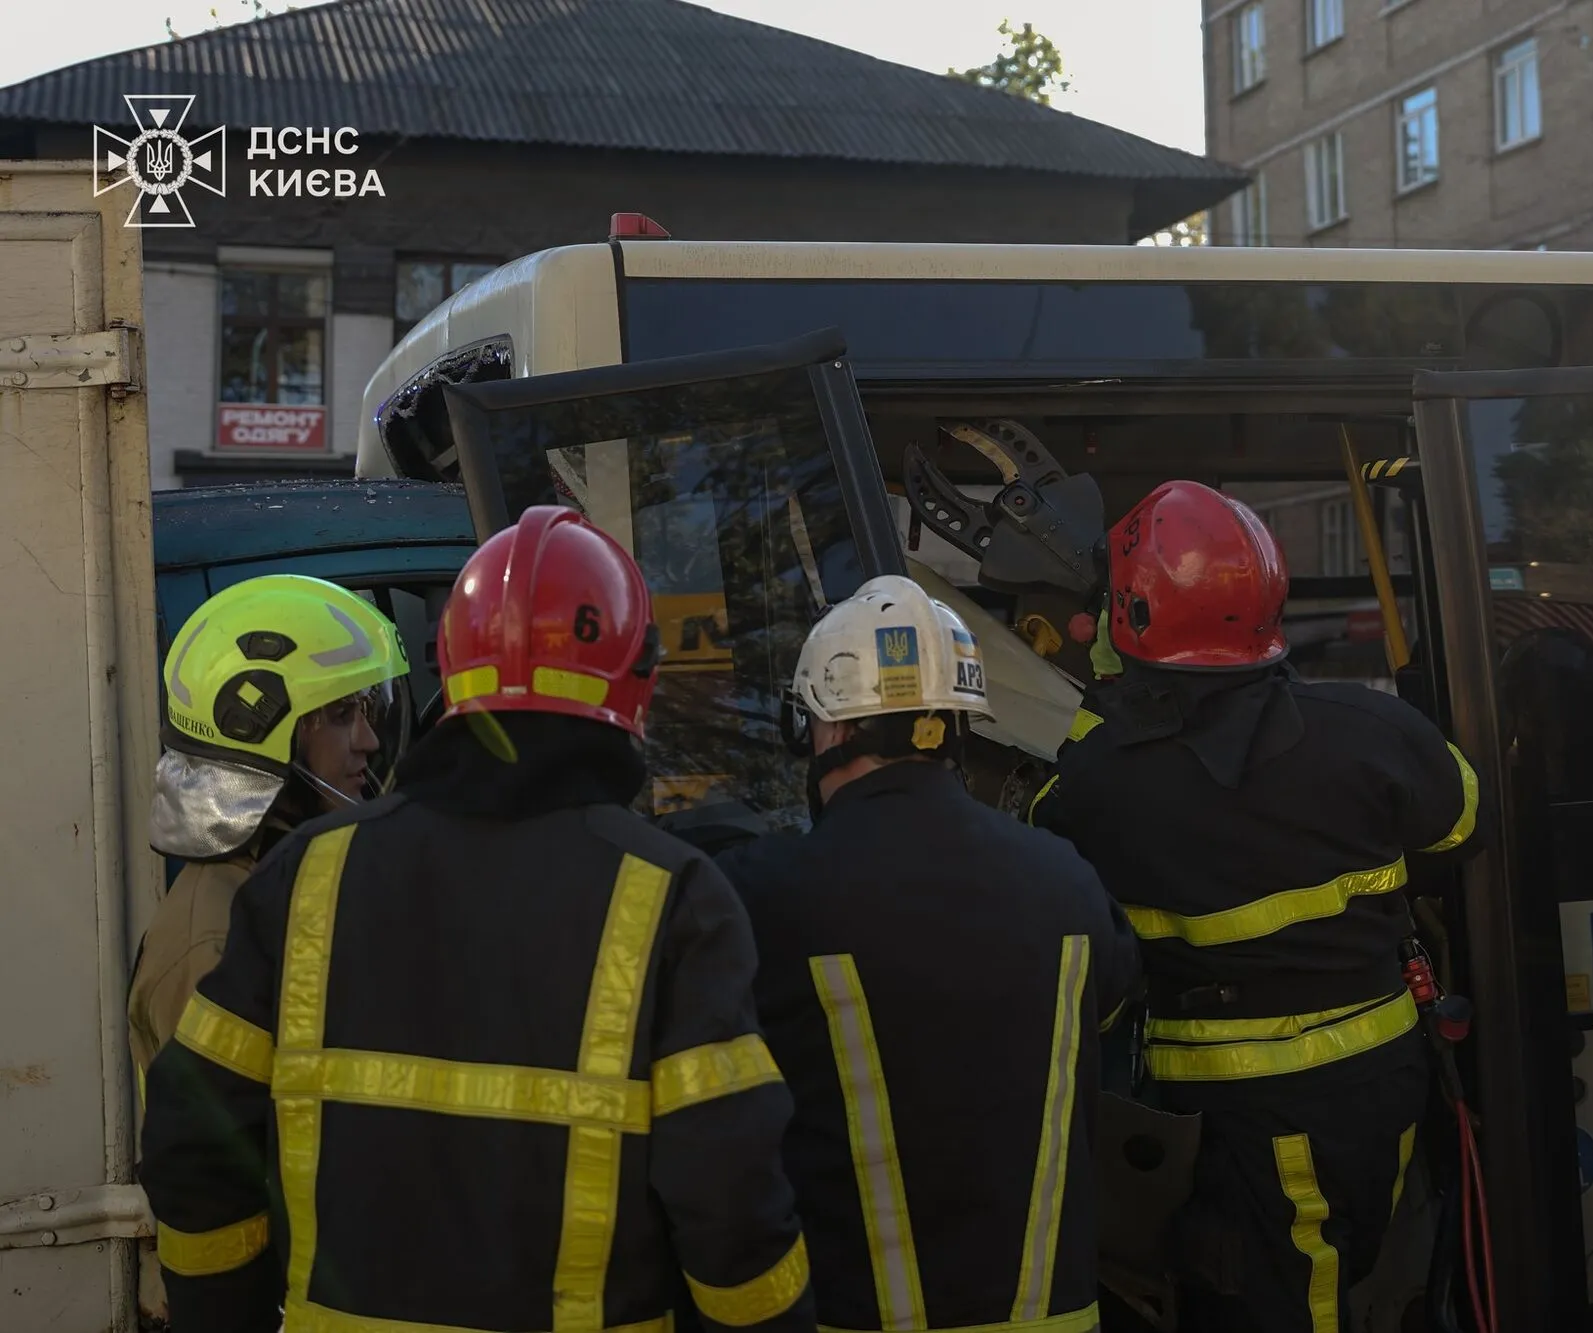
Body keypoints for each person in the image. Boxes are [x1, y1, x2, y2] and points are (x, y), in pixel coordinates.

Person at [138, 506, 814, 1333]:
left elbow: (195, 1146)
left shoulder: (306, 874)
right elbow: (732, 1208)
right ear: (636, 682)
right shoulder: (673, 897)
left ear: (452, 671)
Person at [1029, 481, 1482, 1333]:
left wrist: (1106, 706)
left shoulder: (1097, 787)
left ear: (1130, 620)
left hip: (1242, 1112)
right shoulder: (1374, 730)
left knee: (1281, 1302)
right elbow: (1461, 826)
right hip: (1385, 1079)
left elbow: (1053, 887)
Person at [716, 573, 1140, 1332]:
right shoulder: (1069, 883)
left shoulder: (765, 893)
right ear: (956, 724)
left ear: (831, 729)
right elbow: (1108, 1016)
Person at [131, 574, 410, 1085]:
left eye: (368, 709)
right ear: (256, 731)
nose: (369, 740)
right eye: (342, 714)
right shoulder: (213, 944)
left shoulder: (287, 883)